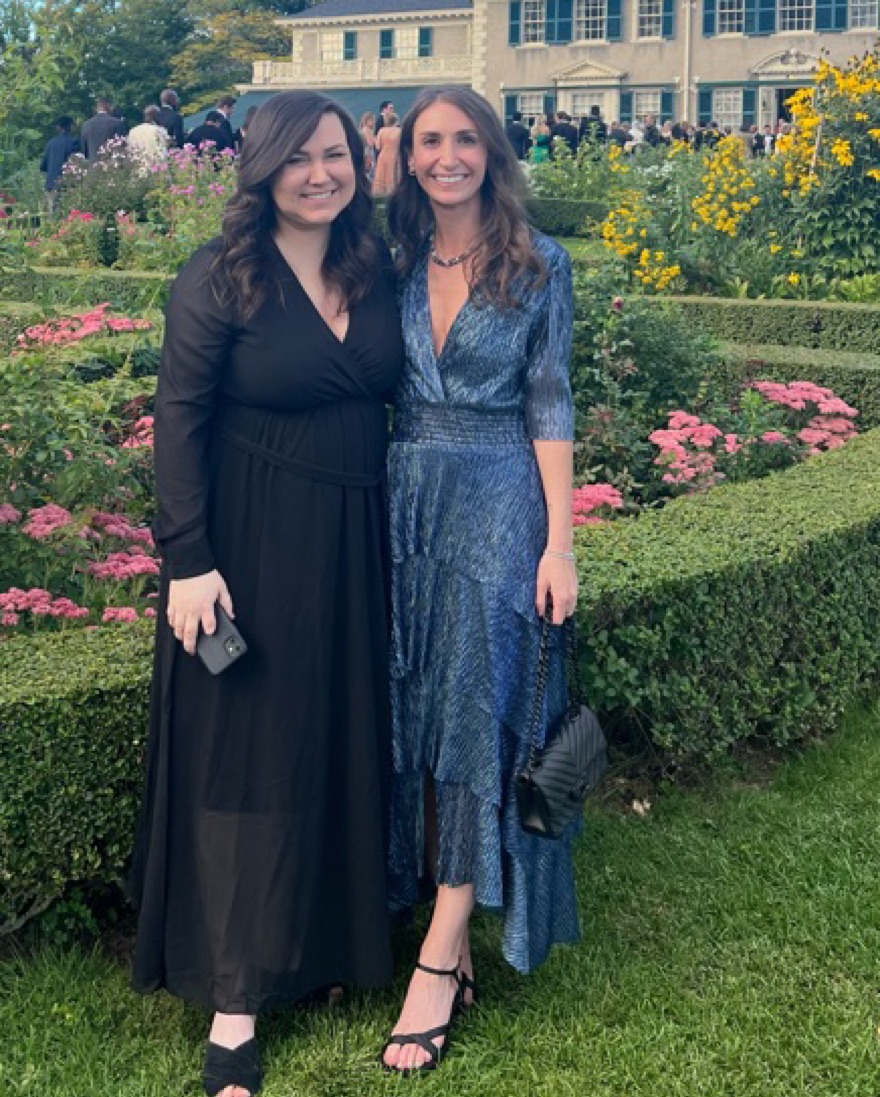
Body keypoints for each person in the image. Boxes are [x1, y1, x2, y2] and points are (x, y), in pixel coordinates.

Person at [129, 89, 405, 1097]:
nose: (320, 174)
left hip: (353, 538)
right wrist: (188, 557)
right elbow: (177, 418)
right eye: (298, 157)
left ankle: (320, 943)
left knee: (333, 735)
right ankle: (236, 996)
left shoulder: (373, 268)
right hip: (249, 542)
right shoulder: (220, 274)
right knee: (246, 754)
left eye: (335, 154)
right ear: (262, 167)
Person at [382, 84, 579, 1076]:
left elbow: (550, 401)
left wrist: (560, 543)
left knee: (473, 714)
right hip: (402, 501)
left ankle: (440, 949)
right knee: (414, 710)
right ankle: (438, 915)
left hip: (500, 501)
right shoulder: (390, 258)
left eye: (465, 139)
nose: (447, 156)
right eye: (429, 141)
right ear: (407, 154)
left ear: (492, 152)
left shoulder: (540, 263)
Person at [40, 116, 79, 213]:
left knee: (52, 212)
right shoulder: (74, 142)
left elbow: (43, 166)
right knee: (68, 213)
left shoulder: (50, 143)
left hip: (51, 183)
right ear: (70, 126)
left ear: (58, 127)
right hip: (67, 183)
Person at [127, 105, 169, 169]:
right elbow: (164, 149)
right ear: (156, 116)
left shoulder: (132, 131)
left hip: (139, 167)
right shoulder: (159, 130)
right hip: (157, 167)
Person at [373, 111, 401, 195]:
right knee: (393, 175)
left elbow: (377, 146)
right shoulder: (399, 131)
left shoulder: (381, 131)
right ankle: (392, 193)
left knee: (382, 175)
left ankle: (380, 194)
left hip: (383, 154)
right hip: (395, 155)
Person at [359, 110, 378, 180]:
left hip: (365, 152)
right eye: (372, 120)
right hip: (368, 152)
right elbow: (371, 143)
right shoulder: (367, 130)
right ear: (367, 120)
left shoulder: (363, 129)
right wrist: (376, 139)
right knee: (370, 172)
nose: (374, 122)